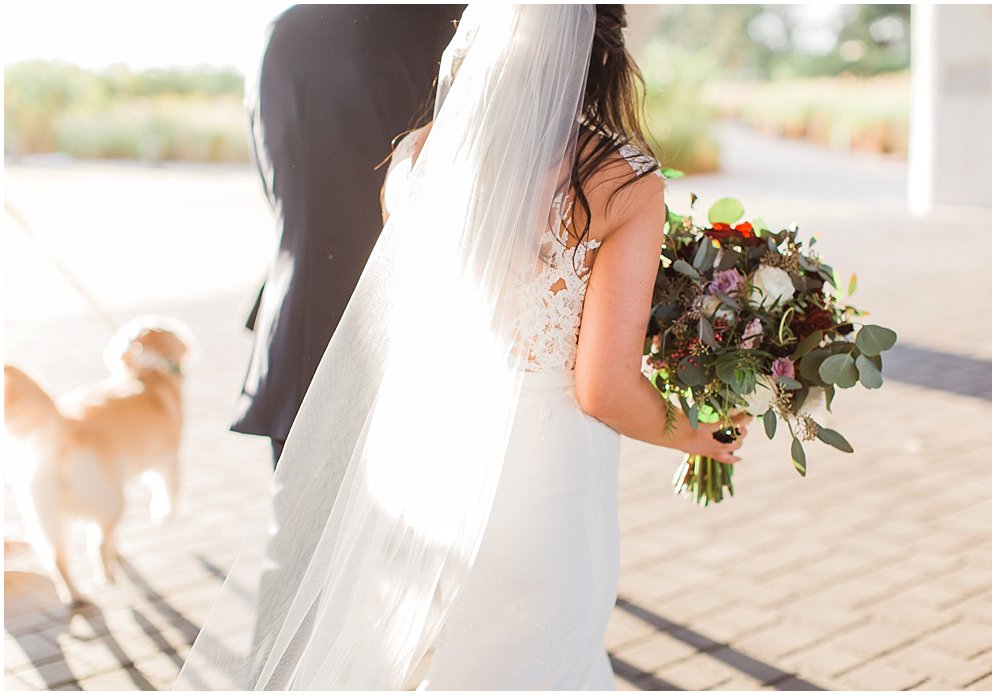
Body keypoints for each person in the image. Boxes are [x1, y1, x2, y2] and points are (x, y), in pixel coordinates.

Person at [176, 6, 747, 690]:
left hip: (427, 457)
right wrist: (695, 435)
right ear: (605, 50)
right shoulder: (625, 182)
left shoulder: (417, 154)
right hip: (543, 478)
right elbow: (602, 387)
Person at [232, 4, 465, 466]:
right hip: (409, 339)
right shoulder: (452, 19)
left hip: (298, 324)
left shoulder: (286, 27)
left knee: (297, 532)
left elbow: (276, 186)